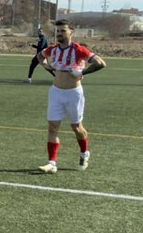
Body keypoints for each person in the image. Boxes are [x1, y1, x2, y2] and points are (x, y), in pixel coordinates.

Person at [38, 21, 105, 172]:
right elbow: (39, 56)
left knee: (76, 127)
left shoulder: (79, 50)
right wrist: (47, 67)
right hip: (56, 92)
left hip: (73, 94)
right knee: (53, 127)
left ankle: (84, 152)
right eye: (58, 31)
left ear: (71, 33)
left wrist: (82, 73)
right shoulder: (53, 49)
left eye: (62, 30)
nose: (59, 33)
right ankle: (52, 163)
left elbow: (100, 63)